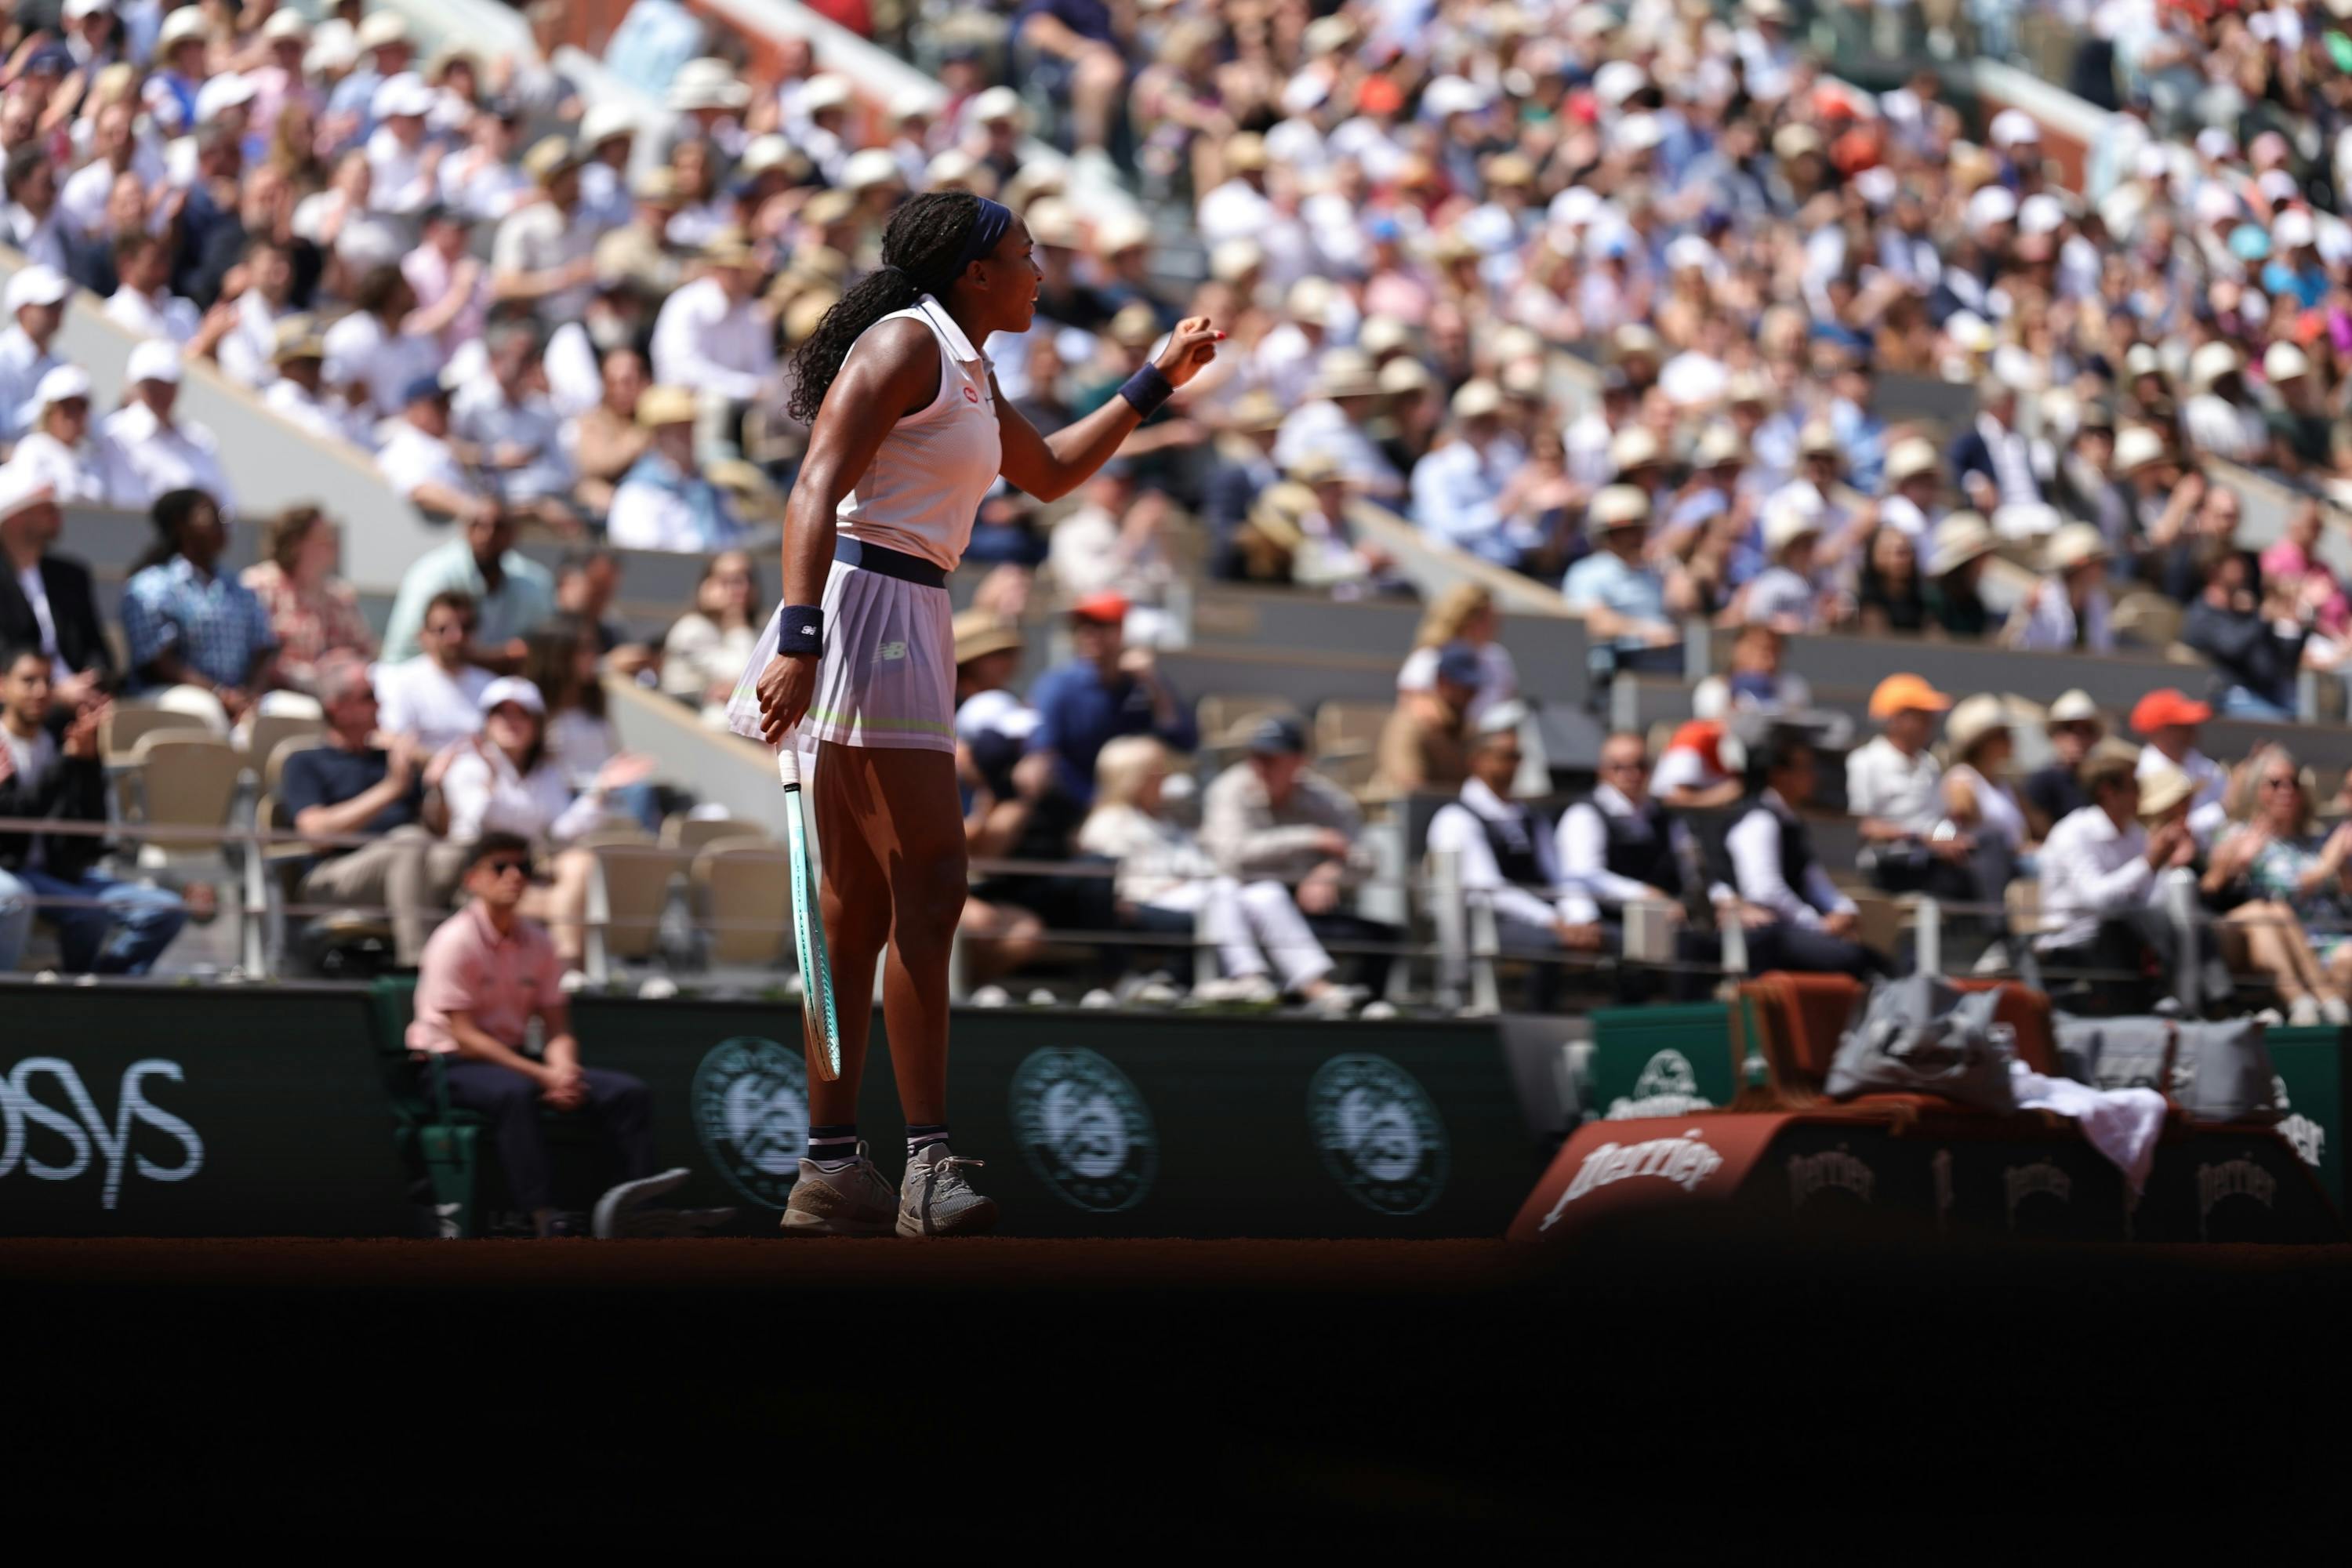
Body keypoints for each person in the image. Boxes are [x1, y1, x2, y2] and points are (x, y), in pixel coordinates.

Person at [736, 191, 1222, 1237]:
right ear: (974, 273)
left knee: (861, 907)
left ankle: (832, 1169)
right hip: (869, 612)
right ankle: (922, 1165)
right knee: (931, 881)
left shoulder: (962, 362)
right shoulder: (906, 344)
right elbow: (815, 483)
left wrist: (1152, 382)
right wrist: (801, 636)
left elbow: (1045, 475)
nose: (1042, 270)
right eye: (1026, 254)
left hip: (910, 608)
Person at [407, 832, 703, 1238]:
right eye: (501, 867)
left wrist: (563, 1071)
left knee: (627, 1093)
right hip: (446, 1067)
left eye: (523, 868)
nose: (514, 876)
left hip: (513, 1064)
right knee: (515, 1093)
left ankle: (639, 1212)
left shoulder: (541, 943)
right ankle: (544, 1216)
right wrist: (541, 1076)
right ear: (472, 879)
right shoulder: (454, 940)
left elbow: (557, 1026)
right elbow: (464, 1036)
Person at [1079, 735, 1359, 1014]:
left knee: (1267, 892)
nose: (1166, 776)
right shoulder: (1108, 823)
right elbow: (1115, 887)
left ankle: (1316, 985)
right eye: (1157, 770)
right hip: (1155, 900)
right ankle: (1247, 978)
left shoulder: (1169, 818)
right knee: (1223, 889)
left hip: (1202, 892)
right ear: (1134, 778)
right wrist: (1172, 884)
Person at [438, 677, 653, 968]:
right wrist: (490, 780)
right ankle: (569, 969)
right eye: (502, 713)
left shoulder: (547, 773)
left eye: (522, 714)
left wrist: (602, 789)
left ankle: (566, 968)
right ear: (487, 721)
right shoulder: (468, 764)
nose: (511, 722)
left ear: (537, 724)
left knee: (580, 862)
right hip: (480, 875)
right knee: (574, 904)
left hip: (528, 871)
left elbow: (560, 832)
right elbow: (487, 825)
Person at [0, 642, 187, 975]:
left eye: (47, 681)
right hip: (13, 871)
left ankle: (98, 988)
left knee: (167, 910)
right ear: (3, 685)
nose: (41, 691)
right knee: (83, 912)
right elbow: (14, 824)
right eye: (28, 680)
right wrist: (67, 764)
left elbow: (91, 829)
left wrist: (86, 764)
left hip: (60, 874)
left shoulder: (59, 742)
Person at [279, 652, 464, 968]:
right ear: (336, 707)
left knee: (471, 855)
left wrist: (437, 786)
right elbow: (317, 834)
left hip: (409, 867)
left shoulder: (389, 759)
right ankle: (418, 967)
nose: (380, 705)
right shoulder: (305, 761)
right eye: (368, 697)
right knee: (409, 841)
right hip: (333, 878)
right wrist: (391, 790)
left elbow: (439, 830)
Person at [1202, 715, 1399, 996]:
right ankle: (1310, 989)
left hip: (1307, 903)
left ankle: (1367, 1015)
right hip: (1241, 898)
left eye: (1270, 758)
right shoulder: (1230, 789)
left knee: (1386, 935)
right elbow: (1233, 855)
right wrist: (1310, 837)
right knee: (1264, 893)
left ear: (1298, 761)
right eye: (1254, 756)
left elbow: (1366, 858)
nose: (1258, 766)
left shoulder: (1325, 798)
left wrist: (1330, 872)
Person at [2035, 742, 2230, 1009]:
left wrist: (2165, 866)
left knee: (2189, 917)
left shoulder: (2133, 833)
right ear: (2108, 792)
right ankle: (2194, 999)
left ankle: (2212, 998)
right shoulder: (2074, 833)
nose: (2142, 794)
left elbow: (2150, 897)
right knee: (2139, 921)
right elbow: (2098, 900)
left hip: (2125, 936)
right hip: (2077, 941)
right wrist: (2150, 862)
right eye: (2134, 787)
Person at [1425, 706, 1592, 1008]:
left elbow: (1558, 877)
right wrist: (1553, 921)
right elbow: (1488, 888)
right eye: (1505, 756)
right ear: (1477, 761)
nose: (1514, 765)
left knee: (1619, 940)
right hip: (1492, 923)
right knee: (1552, 947)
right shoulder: (1456, 818)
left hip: (1545, 917)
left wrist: (1579, 917)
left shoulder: (1531, 817)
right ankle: (1541, 1022)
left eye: (1518, 757)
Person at [1707, 730, 1893, 980]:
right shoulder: (1759, 820)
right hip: (1762, 937)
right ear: (1778, 775)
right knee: (1855, 960)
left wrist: (1844, 911)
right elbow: (1764, 891)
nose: (1813, 776)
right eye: (1804, 769)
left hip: (1790, 930)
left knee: (1874, 961)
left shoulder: (1791, 823)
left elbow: (1814, 880)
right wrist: (1817, 925)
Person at [2204, 746, 2352, 1025]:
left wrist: (2342, 872)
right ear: (2255, 789)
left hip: (2330, 935)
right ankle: (2318, 1009)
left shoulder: (2317, 839)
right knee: (2278, 915)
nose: (2286, 791)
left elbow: (2344, 902)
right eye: (2275, 783)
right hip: (2276, 944)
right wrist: (2323, 869)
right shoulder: (2237, 836)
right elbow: (2275, 895)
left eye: (2293, 783)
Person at [1022, 590, 1199, 805]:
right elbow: (1044, 756)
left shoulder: (1141, 683)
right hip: (1076, 806)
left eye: (1101, 624)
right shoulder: (1057, 685)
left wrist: (1154, 684)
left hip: (1132, 805)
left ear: (1122, 630)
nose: (1089, 633)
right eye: (1081, 625)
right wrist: (1093, 801)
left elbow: (1184, 741)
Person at [119, 488, 276, 725]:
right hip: (171, 693)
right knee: (207, 713)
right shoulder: (151, 586)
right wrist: (219, 694)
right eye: (212, 515)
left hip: (238, 695)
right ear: (180, 525)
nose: (223, 523)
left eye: (224, 514)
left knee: (288, 714)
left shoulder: (238, 587)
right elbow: (160, 664)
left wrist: (251, 694)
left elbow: (263, 650)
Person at [380, 510, 556, 666]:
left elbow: (543, 648)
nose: (487, 535)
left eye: (498, 527)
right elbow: (404, 653)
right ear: (465, 530)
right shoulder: (432, 576)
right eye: (478, 525)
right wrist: (500, 657)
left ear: (513, 534)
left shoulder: (534, 581)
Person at [0, 470, 111, 710]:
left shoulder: (71, 575)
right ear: (16, 518)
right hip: (17, 708)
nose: (57, 515)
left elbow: (96, 649)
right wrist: (53, 691)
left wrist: (91, 681)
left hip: (83, 703)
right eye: (46, 509)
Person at [238, 505, 372, 697]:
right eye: (323, 539)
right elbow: (246, 652)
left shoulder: (339, 596)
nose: (333, 545)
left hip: (332, 695)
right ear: (295, 543)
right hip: (271, 694)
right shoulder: (257, 587)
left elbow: (367, 652)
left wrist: (343, 661)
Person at [1846, 673, 1961, 896]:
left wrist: (1948, 840)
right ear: (1895, 719)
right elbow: (1861, 826)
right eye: (1922, 715)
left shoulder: (1929, 764)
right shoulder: (1864, 762)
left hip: (1931, 861)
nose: (1931, 722)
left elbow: (1942, 821)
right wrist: (1919, 838)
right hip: (1887, 864)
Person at [1563, 485, 1688, 678]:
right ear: (1605, 534)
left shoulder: (1654, 570)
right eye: (1624, 531)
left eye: (1638, 529)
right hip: (1622, 663)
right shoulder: (1587, 572)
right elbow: (1592, 620)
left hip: (1669, 657)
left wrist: (1675, 572)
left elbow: (1684, 608)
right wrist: (1645, 631)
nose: (1634, 537)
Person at [606, 383, 743, 553]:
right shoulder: (636, 495)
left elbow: (733, 543)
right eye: (677, 429)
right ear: (656, 435)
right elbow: (646, 563)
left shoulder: (711, 487)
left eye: (690, 426)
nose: (688, 436)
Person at [2181, 541, 2307, 721]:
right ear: (2214, 570)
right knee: (2283, 724)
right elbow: (2233, 646)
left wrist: (2296, 624)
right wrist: (2262, 617)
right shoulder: (2202, 615)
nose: (2243, 568)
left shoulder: (2245, 613)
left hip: (2267, 693)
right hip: (2230, 695)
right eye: (2234, 562)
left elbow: (2283, 657)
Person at [377, 590, 495, 756]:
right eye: (443, 629)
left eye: (465, 627)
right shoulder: (402, 682)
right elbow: (388, 739)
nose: (456, 637)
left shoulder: (490, 685)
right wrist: (438, 763)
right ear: (423, 635)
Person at [661, 550, 763, 725]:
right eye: (729, 581)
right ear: (706, 587)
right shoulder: (691, 630)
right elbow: (741, 674)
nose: (742, 588)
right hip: (687, 729)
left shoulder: (760, 630)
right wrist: (735, 619)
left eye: (747, 579)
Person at [1398, 583, 1518, 728]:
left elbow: (1508, 702)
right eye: (1485, 619)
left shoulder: (1498, 658)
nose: (1494, 626)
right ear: (1466, 617)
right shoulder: (1427, 659)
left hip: (1488, 740)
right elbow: (1414, 707)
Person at [1375, 638, 1478, 795]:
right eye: (1463, 686)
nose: (1470, 694)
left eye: (1474, 687)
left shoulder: (1468, 730)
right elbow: (1411, 787)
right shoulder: (1411, 724)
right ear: (1442, 681)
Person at [2130, 688, 2228, 847]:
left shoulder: (2202, 764)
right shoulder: (2144, 774)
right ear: (2161, 731)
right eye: (2181, 725)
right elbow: (2168, 829)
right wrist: (2223, 809)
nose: (2192, 730)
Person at [2006, 522, 2114, 652]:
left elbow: (2103, 650)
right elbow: (2025, 649)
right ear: (2077, 567)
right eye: (2095, 563)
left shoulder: (2099, 601)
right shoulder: (2041, 599)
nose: (2101, 570)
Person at [2024, 689, 2101, 840]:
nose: (2077, 737)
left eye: (2087, 730)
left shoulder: (2102, 783)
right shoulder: (2042, 781)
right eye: (2069, 728)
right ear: (2055, 735)